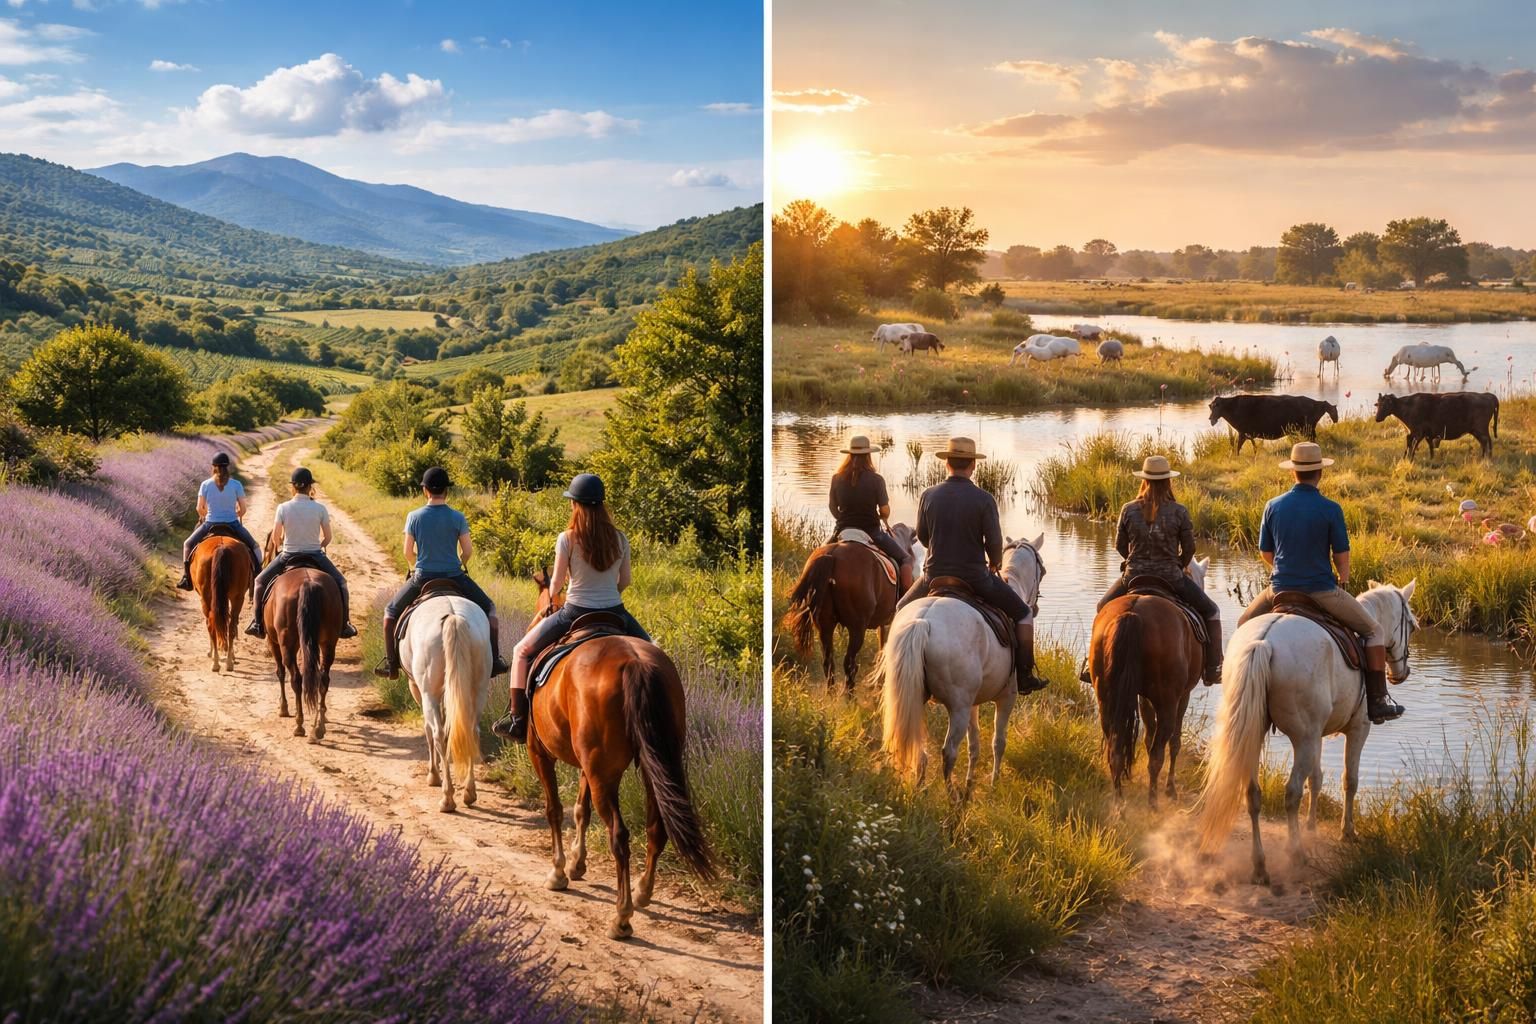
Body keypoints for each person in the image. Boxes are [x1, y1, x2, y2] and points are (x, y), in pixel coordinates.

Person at [1239, 442, 1403, 724]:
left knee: (1244, 627)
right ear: (1320, 473)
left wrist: (1283, 570)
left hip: (1279, 590)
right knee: (1374, 630)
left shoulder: (1272, 506)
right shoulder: (1330, 509)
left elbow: (1266, 553)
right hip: (1320, 591)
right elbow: (1341, 554)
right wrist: (1344, 579)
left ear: (1294, 473)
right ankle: (1378, 701)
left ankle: (1233, 683)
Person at [492, 472, 649, 743]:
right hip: (615, 611)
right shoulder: (620, 539)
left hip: (574, 612)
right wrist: (609, 595)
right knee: (654, 653)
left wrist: (554, 596)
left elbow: (554, 585)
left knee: (521, 651)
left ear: (575, 504)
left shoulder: (567, 538)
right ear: (601, 505)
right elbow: (626, 581)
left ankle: (517, 720)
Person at [894, 437, 1047, 694]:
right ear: (973, 466)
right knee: (1023, 613)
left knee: (900, 609)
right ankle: (1025, 675)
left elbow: (922, 536)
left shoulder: (928, 495)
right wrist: (995, 563)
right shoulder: (984, 499)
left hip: (933, 576)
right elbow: (995, 543)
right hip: (975, 577)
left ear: (947, 464)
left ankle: (892, 670)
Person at [1078, 455, 1222, 685]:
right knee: (1212, 611)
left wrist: (1133, 560)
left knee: (1102, 607)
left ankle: (1090, 663)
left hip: (1134, 576)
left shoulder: (1128, 510)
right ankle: (1213, 666)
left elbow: (1119, 545)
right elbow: (1190, 548)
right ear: (1168, 482)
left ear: (1143, 480)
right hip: (1171, 578)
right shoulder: (1179, 511)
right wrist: (1179, 564)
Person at [374, 466, 511, 680]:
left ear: (425, 491)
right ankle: (494, 661)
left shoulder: (414, 516)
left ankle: (391, 664)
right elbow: (467, 551)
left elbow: (407, 552)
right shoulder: (458, 517)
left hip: (422, 578)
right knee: (490, 608)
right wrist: (462, 562)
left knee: (390, 612)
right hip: (455, 576)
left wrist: (414, 564)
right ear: (447, 491)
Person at [245, 466, 358, 640]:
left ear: (293, 487)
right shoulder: (320, 508)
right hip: (315, 554)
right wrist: (318, 545)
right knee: (342, 583)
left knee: (259, 581)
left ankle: (257, 623)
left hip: (288, 555)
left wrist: (283, 543)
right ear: (310, 487)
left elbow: (276, 537)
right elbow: (328, 537)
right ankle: (345, 624)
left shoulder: (283, 508)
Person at [828, 435, 914, 591]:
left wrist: (843, 520)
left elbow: (833, 507)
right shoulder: (876, 480)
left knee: (817, 557)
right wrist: (883, 515)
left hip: (842, 530)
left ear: (850, 455)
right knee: (905, 558)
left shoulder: (836, 478)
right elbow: (884, 510)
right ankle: (906, 596)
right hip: (872, 531)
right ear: (868, 455)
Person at [176, 451, 262, 591]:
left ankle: (186, 577)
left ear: (213, 467)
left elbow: (199, 508)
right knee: (254, 546)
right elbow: (243, 509)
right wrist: (237, 513)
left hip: (210, 523)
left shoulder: (205, 484)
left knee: (187, 544)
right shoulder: (236, 485)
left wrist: (205, 515)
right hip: (233, 524)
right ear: (227, 467)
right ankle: (258, 574)